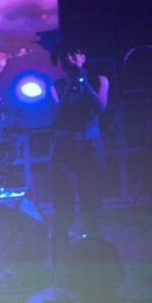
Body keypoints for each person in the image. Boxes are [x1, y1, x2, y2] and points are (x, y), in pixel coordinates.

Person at [47, 42, 109, 271]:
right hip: (65, 150)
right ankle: (60, 267)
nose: (70, 59)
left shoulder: (100, 80)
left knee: (91, 203)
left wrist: (82, 82)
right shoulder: (56, 87)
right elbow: (59, 114)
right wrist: (72, 83)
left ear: (83, 57)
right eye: (64, 57)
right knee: (63, 207)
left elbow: (100, 108)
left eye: (74, 54)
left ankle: (92, 261)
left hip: (92, 146)